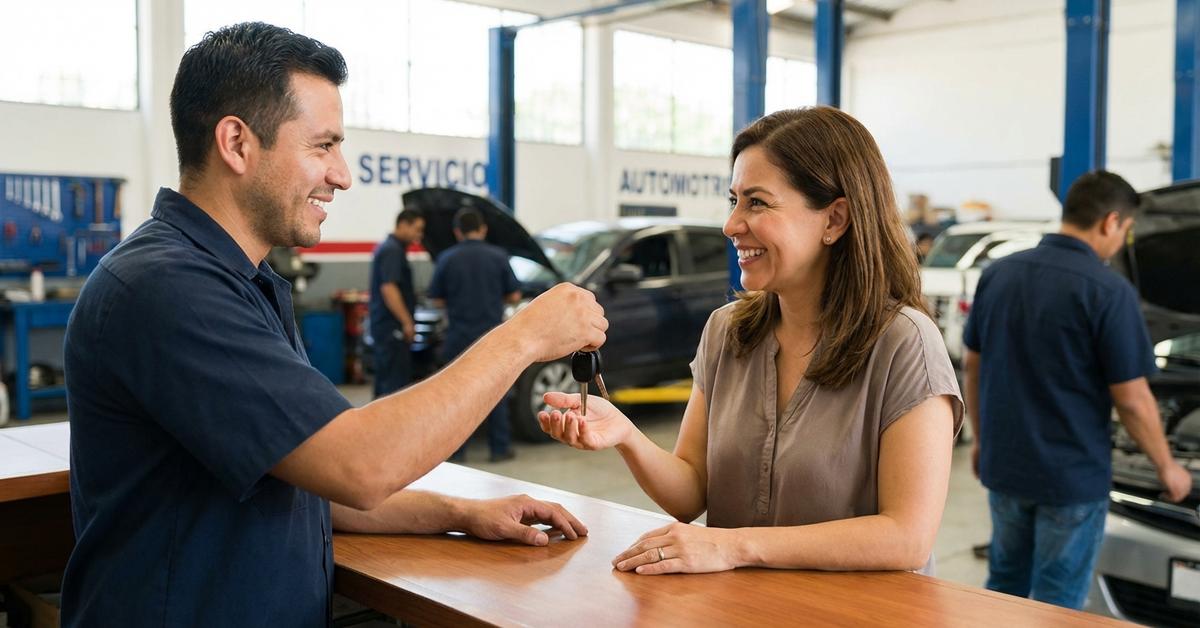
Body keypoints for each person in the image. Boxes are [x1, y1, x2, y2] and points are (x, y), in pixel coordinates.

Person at [61, 22, 606, 627]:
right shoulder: (165, 289)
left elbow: (312, 481)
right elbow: (360, 466)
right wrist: (524, 335)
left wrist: (460, 511)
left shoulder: (247, 282)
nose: (343, 175)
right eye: (322, 146)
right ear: (237, 144)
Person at [538, 107, 963, 575]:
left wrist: (732, 546)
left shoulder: (905, 344)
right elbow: (691, 490)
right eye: (733, 200)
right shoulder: (727, 332)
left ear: (834, 220)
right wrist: (625, 434)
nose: (731, 224)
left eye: (757, 203)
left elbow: (905, 537)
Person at [963, 170, 1192, 609]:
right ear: (1110, 222)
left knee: (1004, 586)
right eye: (1126, 230)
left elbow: (973, 366)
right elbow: (1132, 398)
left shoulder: (999, 274)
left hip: (1006, 466)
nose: (1122, 240)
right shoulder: (1108, 291)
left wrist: (982, 439)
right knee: (1058, 601)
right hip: (1069, 479)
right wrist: (1167, 467)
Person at [428, 207, 522, 463]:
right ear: (483, 229)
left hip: (458, 337)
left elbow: (435, 298)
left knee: (456, 395)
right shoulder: (498, 256)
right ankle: (499, 448)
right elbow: (514, 295)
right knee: (496, 391)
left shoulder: (446, 258)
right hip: (491, 336)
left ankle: (456, 452)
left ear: (457, 232)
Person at [369, 207, 426, 398]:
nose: (419, 235)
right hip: (391, 328)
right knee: (394, 388)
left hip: (386, 328)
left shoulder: (391, 248)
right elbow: (389, 288)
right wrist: (407, 322)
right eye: (417, 229)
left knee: (386, 382)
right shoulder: (392, 250)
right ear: (403, 224)